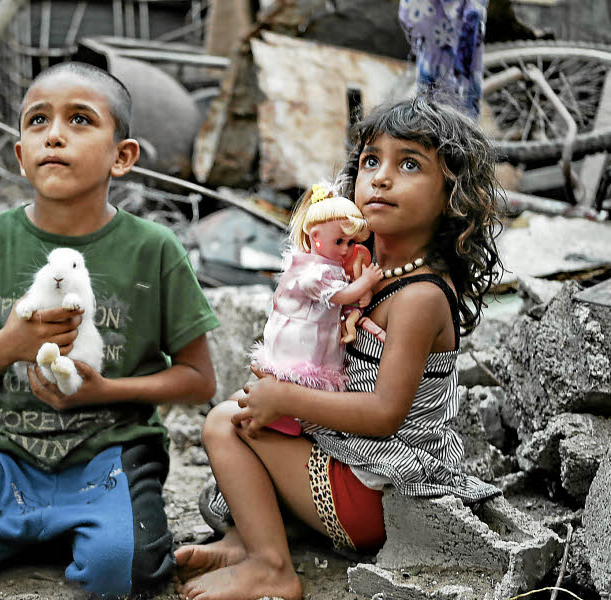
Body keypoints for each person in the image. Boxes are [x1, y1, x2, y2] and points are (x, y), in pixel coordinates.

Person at [0, 61, 220, 598]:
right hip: (12, 460)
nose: (54, 135)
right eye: (37, 122)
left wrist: (106, 391)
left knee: (124, 576)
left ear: (122, 156)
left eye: (80, 120)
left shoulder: (155, 250)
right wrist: (9, 346)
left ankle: (75, 528)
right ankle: (38, 526)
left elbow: (200, 380)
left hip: (111, 458)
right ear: (20, 155)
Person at [175, 96, 503, 600]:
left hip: (371, 489)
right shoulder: (364, 267)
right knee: (243, 446)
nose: (381, 177)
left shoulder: (418, 297)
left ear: (452, 198)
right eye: (371, 160)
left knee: (227, 422)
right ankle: (245, 540)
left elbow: (385, 413)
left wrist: (285, 400)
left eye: (409, 164)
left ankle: (271, 567)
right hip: (345, 451)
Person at [250, 183, 382, 435]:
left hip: (319, 330)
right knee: (297, 374)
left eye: (351, 242)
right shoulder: (312, 272)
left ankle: (297, 415)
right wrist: (366, 282)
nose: (345, 249)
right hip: (301, 334)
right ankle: (281, 415)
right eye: (339, 241)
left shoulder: (329, 266)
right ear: (315, 236)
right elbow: (340, 296)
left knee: (309, 380)